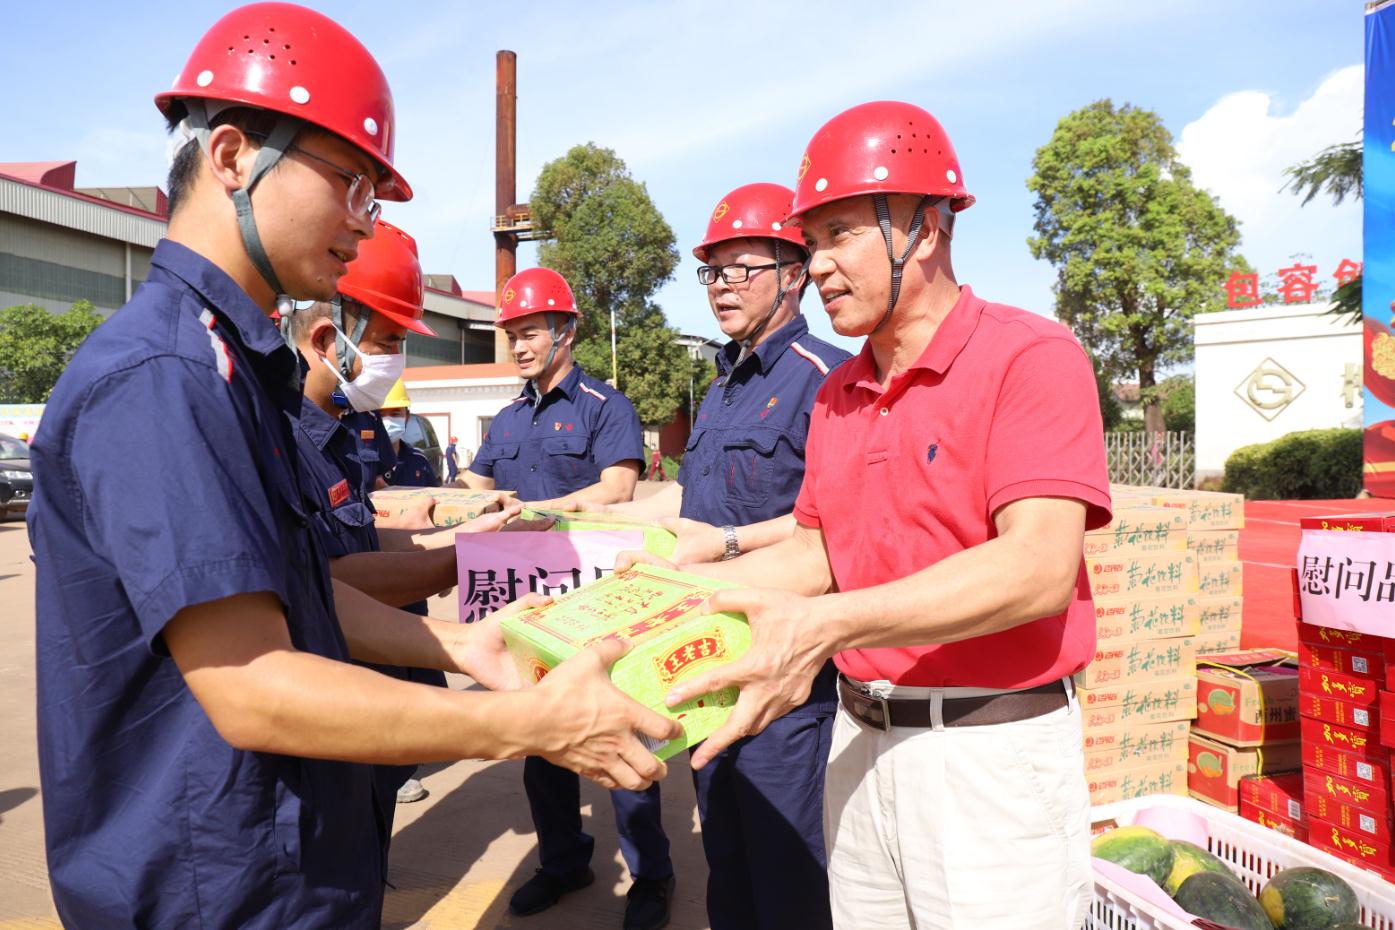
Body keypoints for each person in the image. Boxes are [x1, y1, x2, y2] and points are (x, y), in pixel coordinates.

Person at [26, 6, 677, 927]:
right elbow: (251, 682)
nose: (363, 228)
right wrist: (523, 726)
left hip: (280, 861)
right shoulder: (164, 376)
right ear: (230, 157)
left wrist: (460, 644)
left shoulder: (233, 370)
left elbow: (291, 591)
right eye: (351, 186)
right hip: (213, 887)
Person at [635, 101, 1112, 930]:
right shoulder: (839, 393)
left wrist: (821, 627)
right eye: (811, 240)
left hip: (985, 756)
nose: (817, 265)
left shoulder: (1029, 356)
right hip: (856, 741)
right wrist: (660, 599)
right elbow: (817, 552)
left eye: (843, 233)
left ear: (924, 230)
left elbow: (1035, 569)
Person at [610, 182, 850, 930]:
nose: (721, 288)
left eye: (742, 268)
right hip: (705, 656)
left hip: (785, 675)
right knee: (728, 863)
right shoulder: (720, 384)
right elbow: (691, 499)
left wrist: (728, 545)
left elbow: (835, 531)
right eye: (712, 272)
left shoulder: (828, 378)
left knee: (786, 875)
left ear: (794, 271)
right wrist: (587, 518)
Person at [459, 268, 669, 930]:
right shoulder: (509, 418)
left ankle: (651, 877)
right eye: (511, 335)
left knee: (620, 736)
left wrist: (531, 511)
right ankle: (562, 863)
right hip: (526, 606)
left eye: (529, 333)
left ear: (565, 332)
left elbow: (616, 488)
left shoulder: (605, 407)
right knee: (541, 745)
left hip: (597, 602)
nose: (518, 346)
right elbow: (472, 483)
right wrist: (443, 501)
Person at [379, 378, 438, 486]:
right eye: (380, 414)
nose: (387, 421)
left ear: (407, 417)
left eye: (395, 414)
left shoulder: (419, 461)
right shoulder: (360, 465)